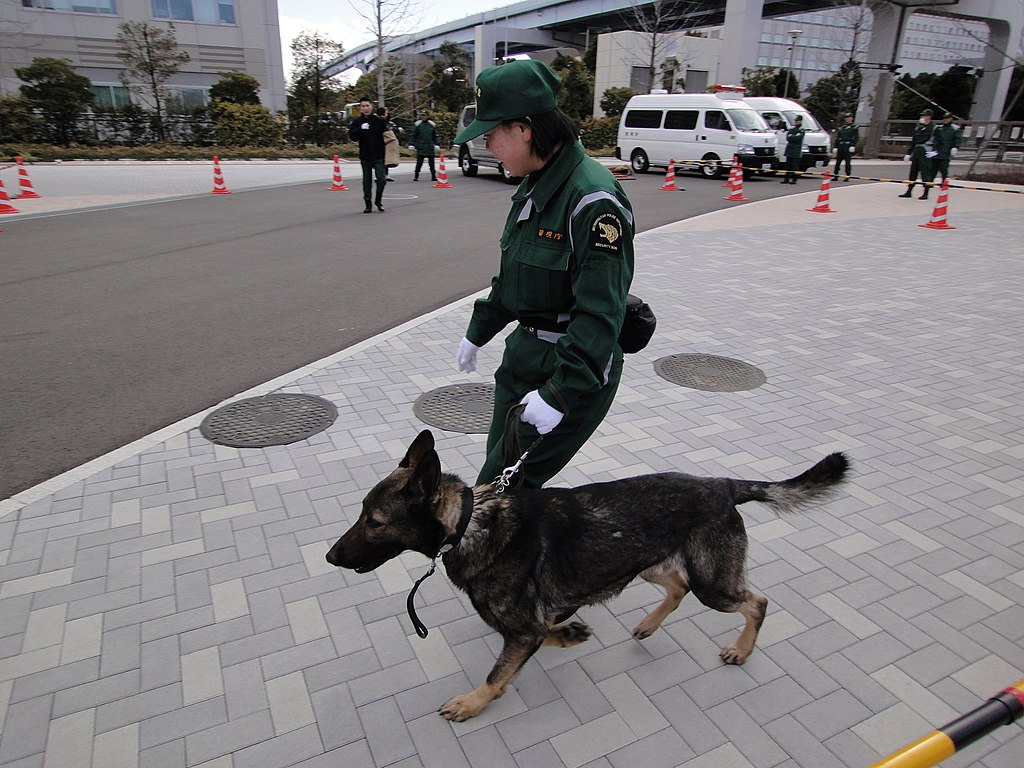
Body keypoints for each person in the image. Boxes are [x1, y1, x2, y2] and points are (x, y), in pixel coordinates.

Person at [453, 59, 635, 489]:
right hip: (523, 358)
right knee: (499, 493)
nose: (487, 144)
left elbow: (600, 313)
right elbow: (514, 278)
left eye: (492, 134)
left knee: (495, 495)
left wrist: (560, 395)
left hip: (572, 368)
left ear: (525, 129)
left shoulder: (592, 199)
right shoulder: (534, 183)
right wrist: (480, 329)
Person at [348, 97, 387, 213]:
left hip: (379, 154)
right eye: (362, 106)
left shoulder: (379, 121)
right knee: (367, 181)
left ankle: (378, 200)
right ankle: (368, 203)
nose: (365, 108)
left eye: (367, 106)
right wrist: (360, 129)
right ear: (360, 108)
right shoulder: (357, 122)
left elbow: (387, 135)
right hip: (365, 155)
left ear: (371, 106)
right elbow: (352, 137)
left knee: (381, 179)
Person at [900, 108, 936, 200]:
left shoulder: (934, 128)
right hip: (917, 150)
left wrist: (935, 151)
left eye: (925, 115)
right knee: (913, 172)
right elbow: (914, 141)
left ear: (929, 117)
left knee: (925, 172)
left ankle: (926, 192)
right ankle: (909, 191)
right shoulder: (919, 127)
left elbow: (938, 141)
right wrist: (909, 153)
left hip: (926, 150)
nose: (923, 117)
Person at [931, 112, 962, 184]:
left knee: (943, 168)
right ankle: (930, 182)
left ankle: (944, 182)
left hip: (946, 151)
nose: (945, 120)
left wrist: (956, 147)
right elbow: (933, 138)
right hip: (936, 151)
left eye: (947, 118)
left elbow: (958, 139)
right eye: (944, 118)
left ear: (951, 119)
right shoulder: (938, 128)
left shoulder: (955, 129)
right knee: (933, 168)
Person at [409, 109, 438, 181]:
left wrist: (437, 144)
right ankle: (416, 176)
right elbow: (413, 135)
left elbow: (435, 135)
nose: (423, 117)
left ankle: (433, 176)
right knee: (419, 162)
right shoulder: (417, 124)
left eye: (424, 115)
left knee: (431, 163)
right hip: (421, 145)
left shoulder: (432, 124)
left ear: (427, 116)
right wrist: (411, 143)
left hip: (429, 145)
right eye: (422, 115)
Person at [781, 115, 806, 184]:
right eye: (795, 120)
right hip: (789, 149)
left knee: (795, 165)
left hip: (796, 150)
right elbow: (788, 137)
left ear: (800, 121)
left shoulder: (801, 129)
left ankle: (794, 179)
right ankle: (786, 178)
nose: (795, 122)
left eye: (797, 120)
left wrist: (792, 136)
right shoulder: (792, 129)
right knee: (787, 165)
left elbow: (797, 138)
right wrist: (792, 136)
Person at [377, 107, 400, 182]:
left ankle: (384, 174)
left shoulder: (383, 120)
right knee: (381, 159)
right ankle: (382, 175)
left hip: (383, 142)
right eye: (386, 112)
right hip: (382, 141)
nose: (387, 114)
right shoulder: (381, 120)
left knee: (384, 159)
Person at [833, 112, 858, 181]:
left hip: (848, 145)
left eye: (849, 117)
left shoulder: (854, 127)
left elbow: (855, 137)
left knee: (847, 162)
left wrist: (853, 145)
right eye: (846, 118)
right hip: (841, 145)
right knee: (838, 161)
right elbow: (838, 138)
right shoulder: (842, 128)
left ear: (851, 118)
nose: (847, 119)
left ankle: (847, 175)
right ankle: (835, 175)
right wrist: (835, 146)